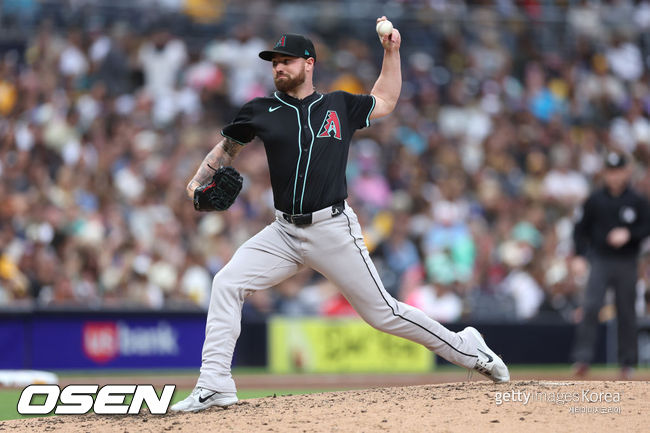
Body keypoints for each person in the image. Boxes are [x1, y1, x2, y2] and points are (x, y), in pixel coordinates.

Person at [171, 17, 509, 412]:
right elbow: (227, 148)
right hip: (283, 231)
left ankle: (469, 348)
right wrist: (196, 183)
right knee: (227, 282)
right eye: (274, 62)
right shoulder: (261, 109)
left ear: (309, 63)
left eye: (286, 61)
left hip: (331, 228)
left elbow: (385, 99)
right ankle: (214, 384)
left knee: (384, 314)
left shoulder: (338, 104)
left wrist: (392, 53)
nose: (278, 68)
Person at [571, 151, 650, 379]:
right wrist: (579, 255)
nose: (614, 176)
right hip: (600, 260)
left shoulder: (637, 200)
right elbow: (580, 229)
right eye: (610, 171)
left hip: (627, 261)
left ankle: (628, 362)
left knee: (626, 311)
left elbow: (647, 226)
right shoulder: (595, 200)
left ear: (626, 172)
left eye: (618, 171)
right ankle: (582, 359)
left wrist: (629, 234)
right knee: (591, 306)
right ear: (605, 173)